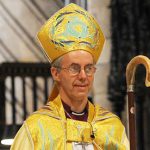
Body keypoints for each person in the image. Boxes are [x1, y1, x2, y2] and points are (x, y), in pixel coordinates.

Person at [11, 3, 129, 150]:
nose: (83, 76)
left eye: (89, 68)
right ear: (56, 73)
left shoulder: (112, 128)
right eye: (74, 68)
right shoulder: (37, 129)